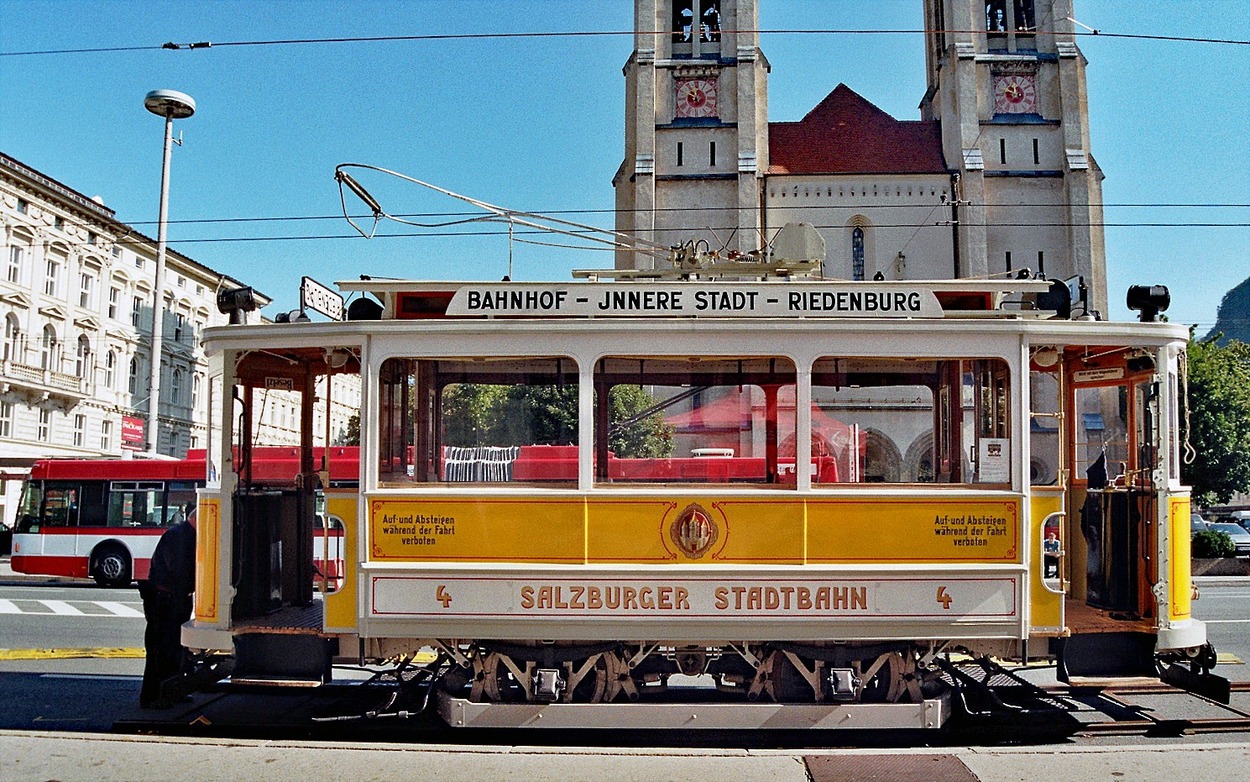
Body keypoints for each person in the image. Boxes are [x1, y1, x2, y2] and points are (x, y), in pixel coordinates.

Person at [139, 506, 197, 708]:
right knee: (161, 649)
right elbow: (179, 570)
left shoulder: (181, 534)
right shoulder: (180, 537)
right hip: (166, 599)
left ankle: (170, 691)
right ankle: (154, 696)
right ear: (196, 519)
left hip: (172, 597)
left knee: (174, 647)